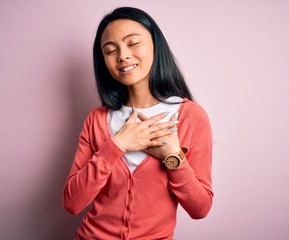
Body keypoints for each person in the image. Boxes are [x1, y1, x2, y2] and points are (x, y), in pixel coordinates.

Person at [63, 6, 213, 240]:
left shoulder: (191, 116)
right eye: (110, 50)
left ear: (155, 44)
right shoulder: (97, 119)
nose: (122, 55)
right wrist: (116, 146)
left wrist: (173, 157)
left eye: (132, 43)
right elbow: (72, 202)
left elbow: (200, 208)